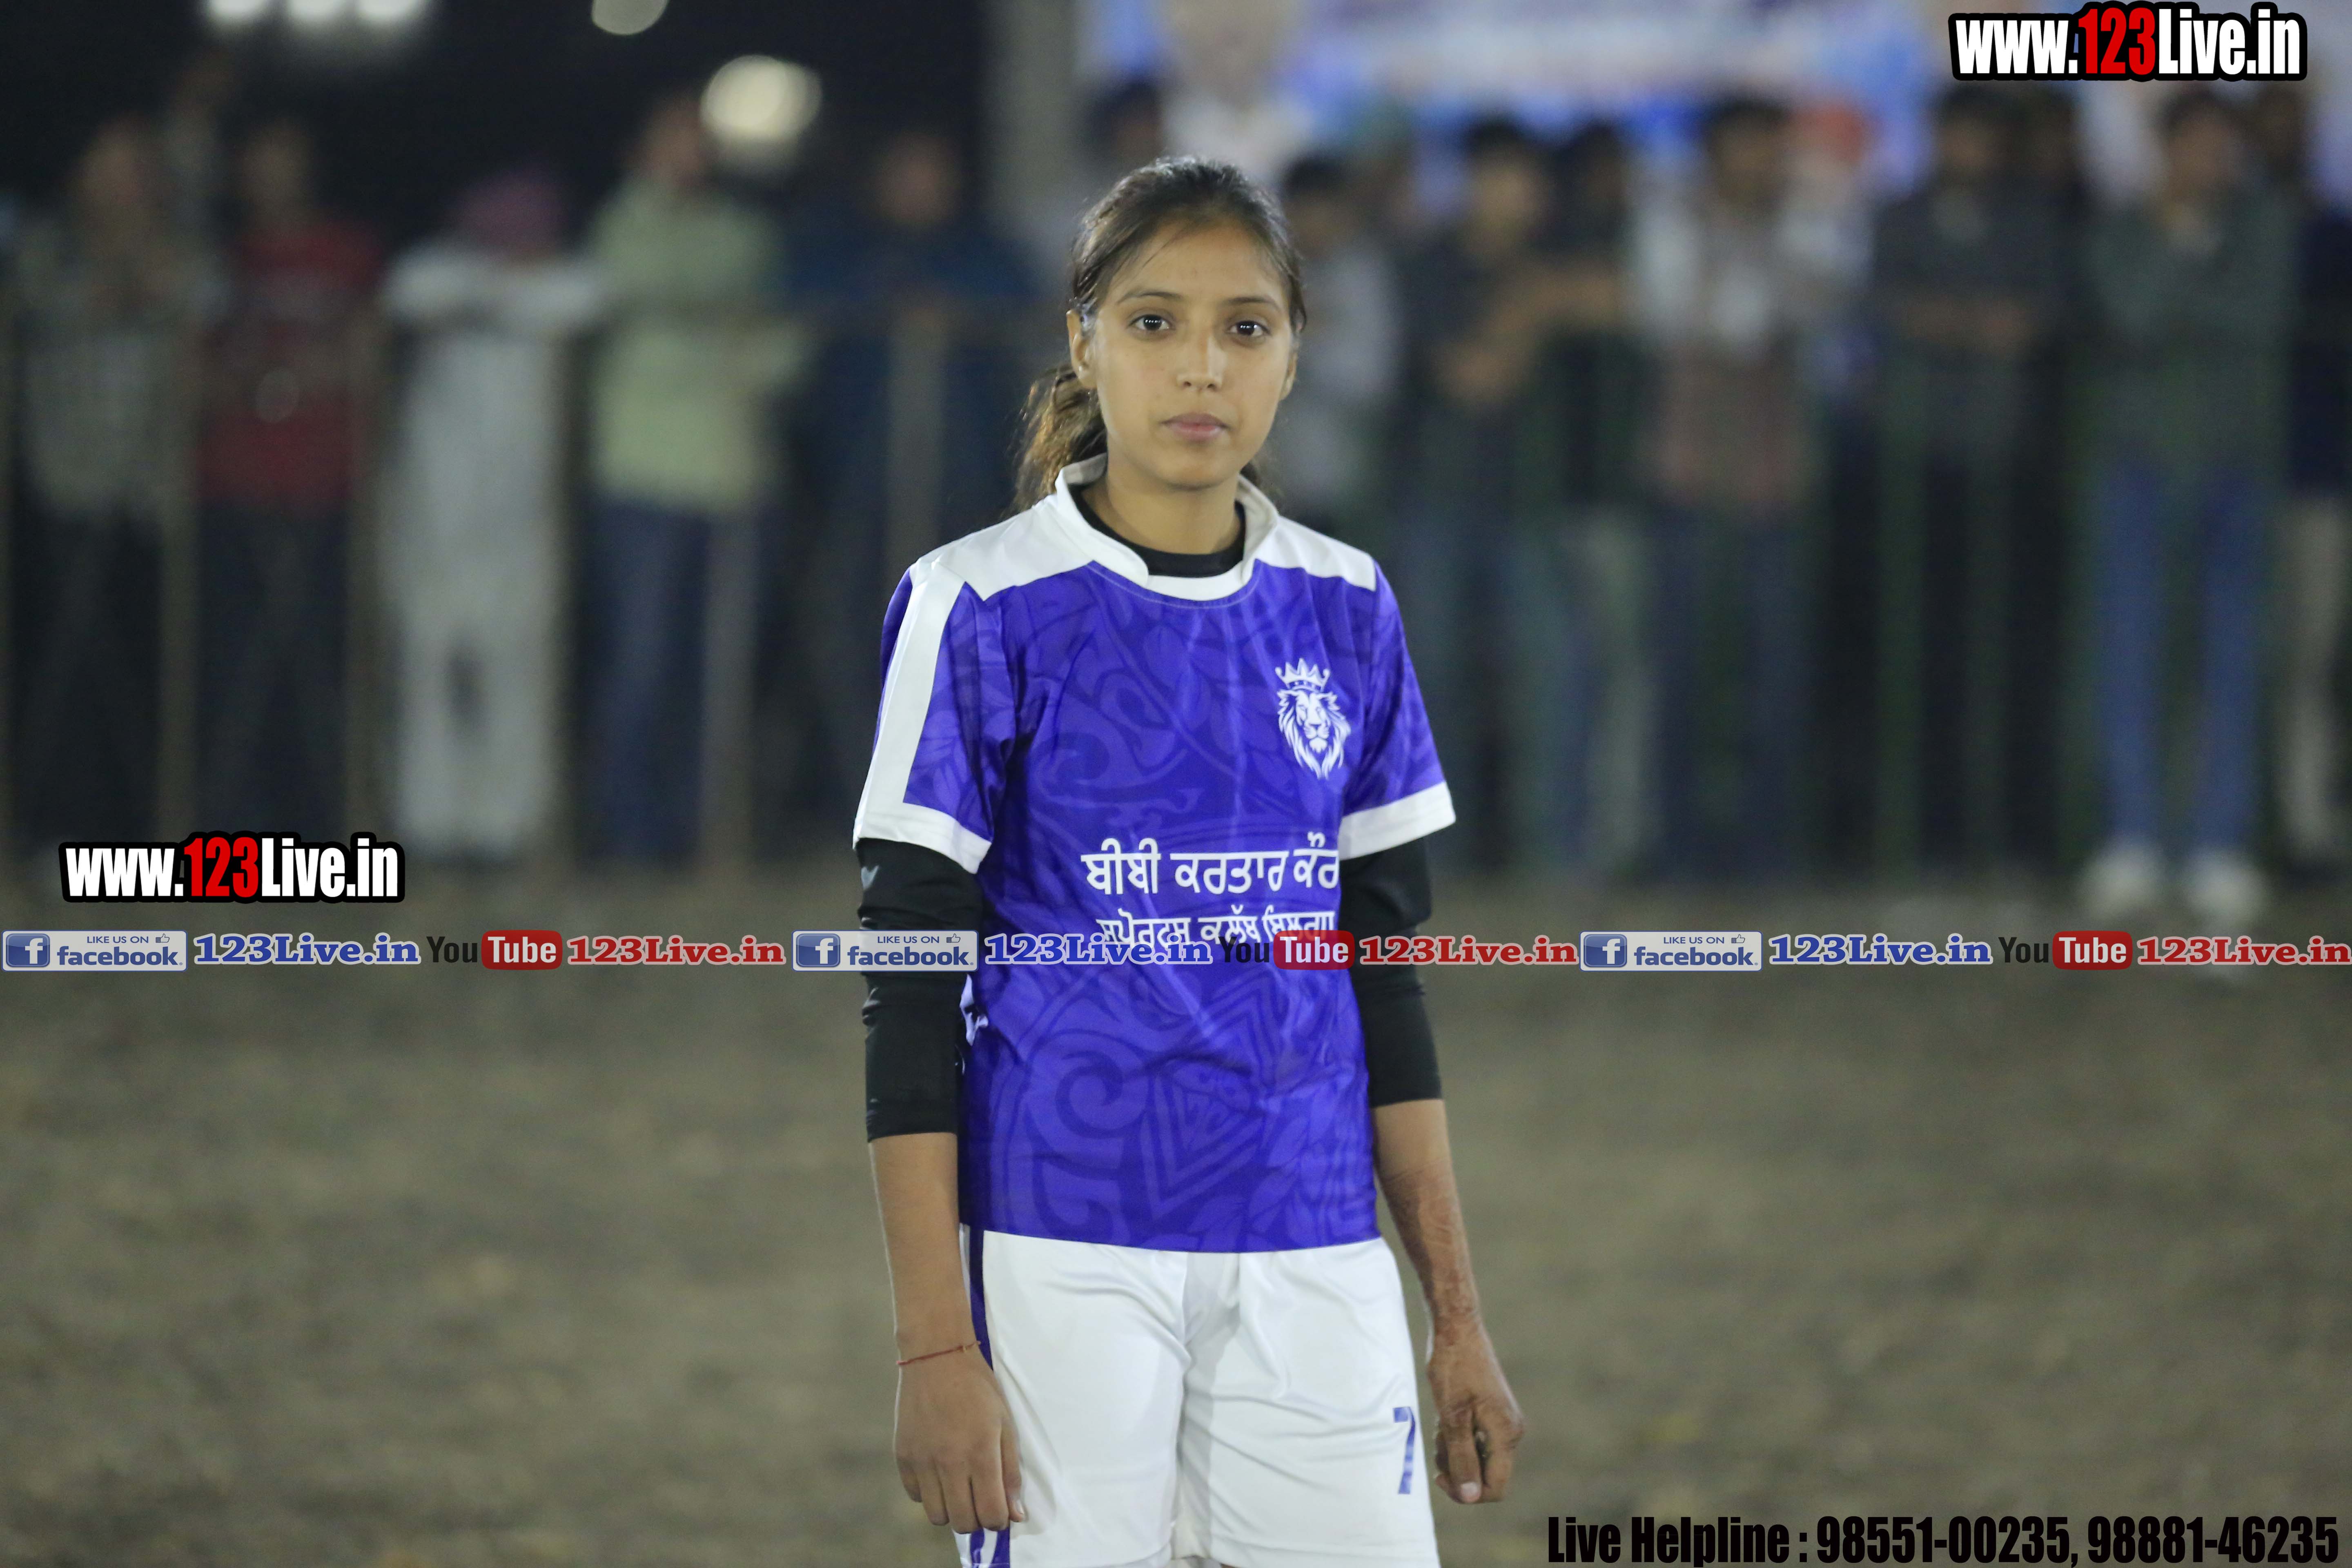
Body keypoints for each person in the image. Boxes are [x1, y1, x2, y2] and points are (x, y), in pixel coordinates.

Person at [851, 156, 1521, 1567]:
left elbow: (1386, 985)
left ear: (1294, 358)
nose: (1202, 366)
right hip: (1062, 1242)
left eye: (1246, 327)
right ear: (1084, 341)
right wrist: (933, 1349)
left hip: (1315, 1240)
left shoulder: (1348, 605)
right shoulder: (979, 603)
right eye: (1154, 322)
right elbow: (906, 990)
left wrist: (1456, 1319)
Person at [2078, 91, 2293, 927]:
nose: (2211, 161)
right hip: (2138, 464)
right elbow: (2131, 316)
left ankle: (2217, 844)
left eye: (2221, 146)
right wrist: (2178, 246)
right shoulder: (2125, 228)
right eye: (2195, 145)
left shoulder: (2264, 227)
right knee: (2131, 651)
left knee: (2232, 657)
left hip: (2236, 464)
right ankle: (2135, 838)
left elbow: (2260, 319)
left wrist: (2182, 289)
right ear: (2164, 151)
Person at [1633, 94, 1850, 878]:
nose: (1761, 160)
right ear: (1714, 153)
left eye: (1770, 144)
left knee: (1776, 674)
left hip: (1775, 481)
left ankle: (1768, 849)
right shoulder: (1671, 222)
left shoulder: (1807, 218)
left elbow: (1816, 305)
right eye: (1746, 144)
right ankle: (1682, 848)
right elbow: (1680, 316)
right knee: (1685, 667)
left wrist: (1752, 286)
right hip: (1690, 477)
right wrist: (1757, 290)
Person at [584, 91, 797, 864]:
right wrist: (718, 332)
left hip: (738, 478)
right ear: (641, 149)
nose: (689, 153)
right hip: (644, 476)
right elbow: (646, 324)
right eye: (673, 138)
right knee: (643, 667)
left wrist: (696, 329)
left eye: (698, 139)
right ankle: (631, 837)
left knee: (721, 679)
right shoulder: (617, 227)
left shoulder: (745, 232)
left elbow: (783, 351)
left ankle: (706, 835)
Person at [380, 169, 604, 863]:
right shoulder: (437, 274)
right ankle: (429, 824)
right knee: (428, 669)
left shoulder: (563, 286)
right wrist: (493, 288)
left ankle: (507, 827)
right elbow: (409, 290)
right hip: (432, 518)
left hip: (523, 521)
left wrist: (495, 297)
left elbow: (586, 296)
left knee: (519, 671)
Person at [1869, 87, 2066, 863]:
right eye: (1958, 134)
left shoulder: (2030, 219)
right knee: (1928, 652)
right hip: (1921, 465)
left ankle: (2017, 828)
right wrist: (1971, 322)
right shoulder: (1899, 217)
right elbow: (1887, 309)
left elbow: (2040, 314)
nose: (1970, 150)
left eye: (1982, 136)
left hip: (2007, 464)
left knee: (2015, 652)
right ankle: (1934, 829)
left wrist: (1951, 321)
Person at [9, 118, 217, 848]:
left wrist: (148, 277)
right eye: (106, 166)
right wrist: (122, 284)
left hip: (150, 494)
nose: (119, 182)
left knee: (143, 662)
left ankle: (141, 834)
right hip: (65, 486)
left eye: (131, 166)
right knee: (64, 664)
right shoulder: (47, 247)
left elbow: (202, 298)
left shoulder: (184, 247)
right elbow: (50, 304)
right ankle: (57, 830)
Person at [196, 116, 381, 839]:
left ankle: (319, 836)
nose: (272, 174)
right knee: (233, 669)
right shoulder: (220, 260)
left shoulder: (350, 253)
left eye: (285, 158)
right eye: (259, 159)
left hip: (323, 489)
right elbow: (195, 370)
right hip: (232, 488)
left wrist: (304, 373)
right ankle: (232, 838)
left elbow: (368, 356)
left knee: (319, 666)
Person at [2248, 82, 2352, 878]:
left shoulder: (2333, 233)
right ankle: (2222, 827)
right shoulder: (2235, 230)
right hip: (2224, 470)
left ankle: (2305, 826)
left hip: (2317, 475)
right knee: (2219, 658)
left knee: (2311, 664)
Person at [1263, 152, 1400, 547]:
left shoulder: (1363, 276)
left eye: (1325, 211)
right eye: (1304, 210)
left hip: (1343, 492)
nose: (1315, 224)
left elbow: (1371, 380)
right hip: (1263, 486)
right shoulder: (1260, 270)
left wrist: (1302, 336)